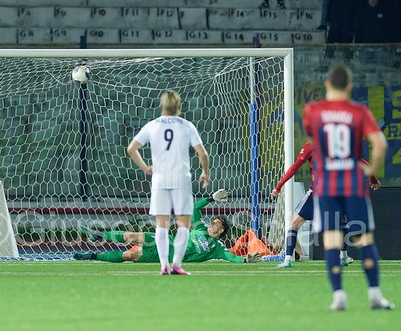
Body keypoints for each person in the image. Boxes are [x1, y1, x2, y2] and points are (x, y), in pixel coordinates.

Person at [302, 64, 393, 310]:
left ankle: (338, 297)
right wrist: (370, 169)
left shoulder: (313, 110)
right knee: (364, 239)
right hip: (353, 184)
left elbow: (314, 141)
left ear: (327, 85)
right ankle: (375, 295)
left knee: (332, 241)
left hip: (327, 186)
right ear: (350, 86)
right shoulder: (358, 111)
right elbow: (380, 144)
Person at [126, 90, 209, 275]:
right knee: (183, 224)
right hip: (181, 179)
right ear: (179, 107)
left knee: (161, 224)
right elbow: (202, 153)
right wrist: (205, 172)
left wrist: (145, 168)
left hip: (160, 179)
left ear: (161, 106)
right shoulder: (187, 126)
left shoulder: (152, 125)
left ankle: (164, 265)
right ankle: (177, 264)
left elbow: (131, 149)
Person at [74, 189, 262, 264]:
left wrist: (245, 260)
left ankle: (91, 256)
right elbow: (195, 207)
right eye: (213, 221)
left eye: (216, 223)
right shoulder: (199, 228)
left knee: (129, 255)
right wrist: (211, 199)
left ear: (220, 231)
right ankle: (100, 234)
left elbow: (231, 257)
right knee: (132, 236)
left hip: (165, 256)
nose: (212, 222)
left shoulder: (216, 248)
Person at [271, 140, 380, 268]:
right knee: (341, 223)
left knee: (294, 224)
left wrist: (278, 187)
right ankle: (343, 256)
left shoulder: (311, 144)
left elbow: (295, 167)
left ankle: (288, 259)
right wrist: (373, 180)